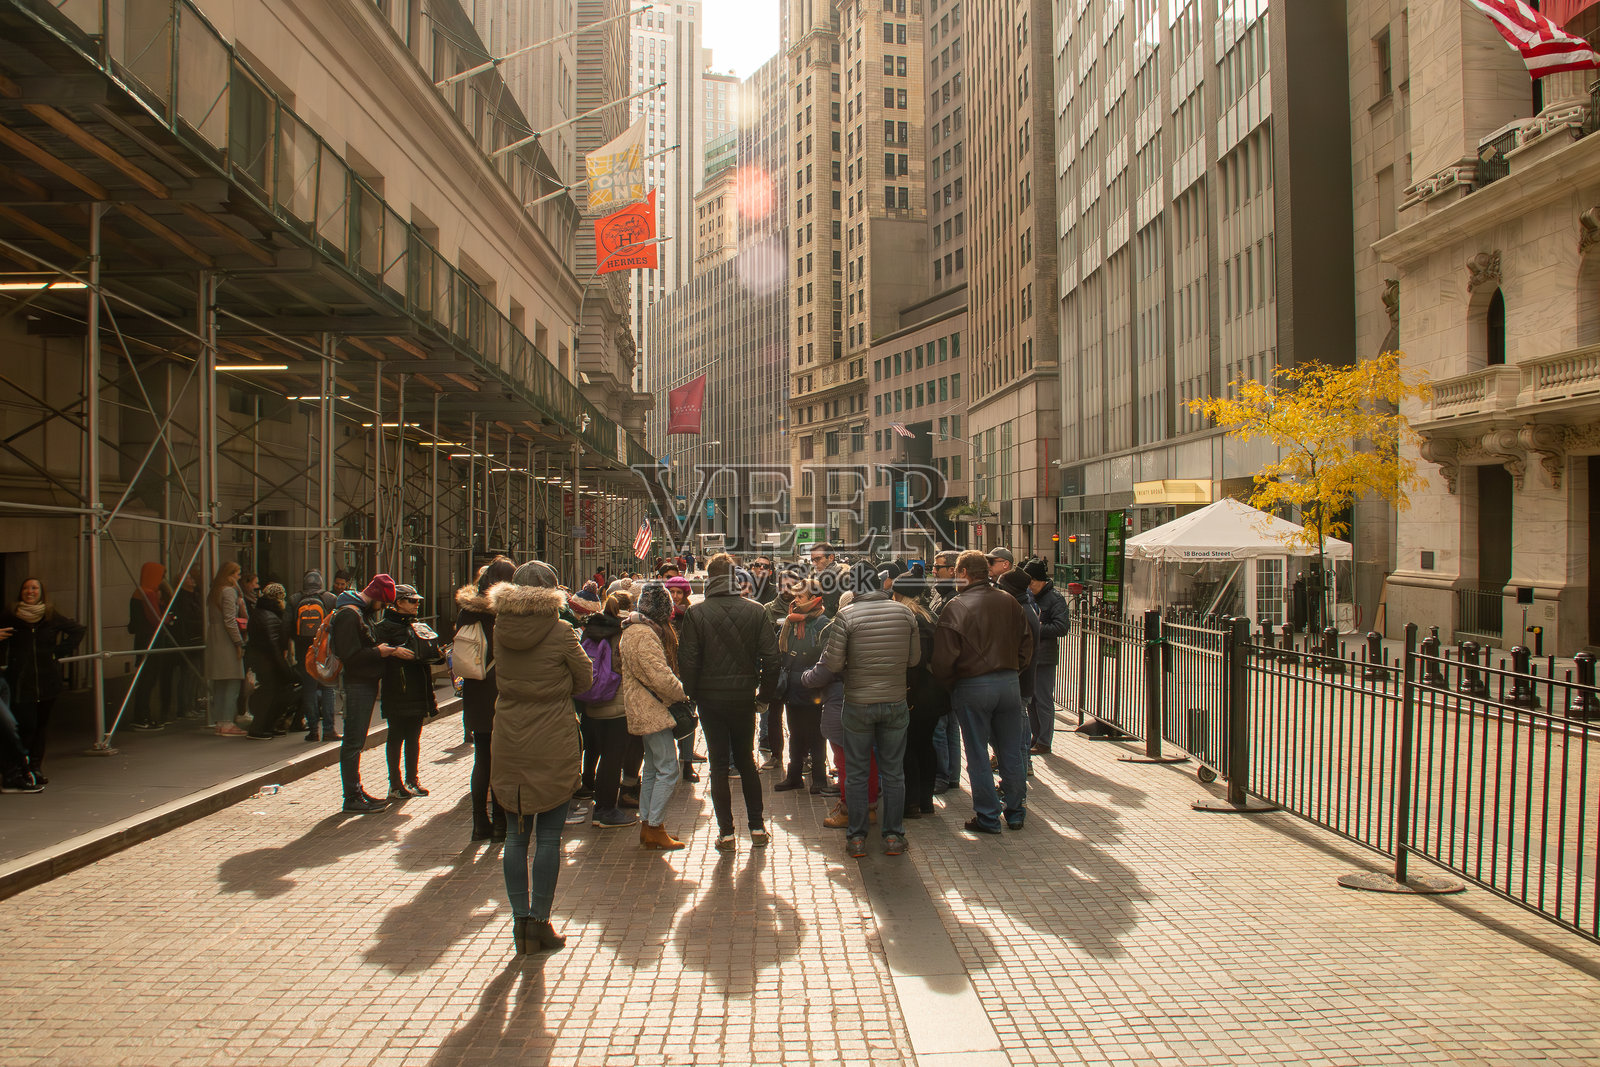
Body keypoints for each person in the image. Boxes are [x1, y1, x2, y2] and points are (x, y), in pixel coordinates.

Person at [489, 560, 591, 955]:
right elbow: (585, 679)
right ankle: (540, 921)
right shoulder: (562, 630)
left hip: (510, 733)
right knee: (549, 836)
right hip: (553, 735)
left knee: (516, 836)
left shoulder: (500, 629)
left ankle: (519, 921)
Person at [679, 552, 779, 852]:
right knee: (746, 761)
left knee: (719, 765)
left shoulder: (697, 614)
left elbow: (688, 660)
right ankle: (757, 826)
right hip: (743, 696)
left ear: (709, 578)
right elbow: (772, 660)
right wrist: (764, 696)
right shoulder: (756, 610)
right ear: (736, 577)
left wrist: (693, 695)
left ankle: (726, 832)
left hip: (710, 698)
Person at [821, 562, 919, 858]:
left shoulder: (846, 615)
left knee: (857, 772)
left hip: (858, 703)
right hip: (894, 700)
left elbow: (834, 664)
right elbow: (913, 660)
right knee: (893, 772)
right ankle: (892, 836)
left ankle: (858, 837)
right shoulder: (905, 613)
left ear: (853, 586)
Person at [932, 550, 1033, 835]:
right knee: (1010, 751)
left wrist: (952, 684)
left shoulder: (957, 605)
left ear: (964, 573)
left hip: (973, 684)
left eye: (956, 573)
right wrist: (1014, 671)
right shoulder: (1009, 601)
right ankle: (1015, 811)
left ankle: (988, 816)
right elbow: (1027, 644)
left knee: (977, 753)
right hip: (1008, 682)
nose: (953, 577)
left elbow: (943, 660)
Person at [621, 582, 689, 850]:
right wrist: (683, 692)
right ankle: (654, 826)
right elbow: (658, 676)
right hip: (652, 708)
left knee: (651, 769)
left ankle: (649, 824)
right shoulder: (643, 634)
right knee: (667, 769)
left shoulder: (635, 630)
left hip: (646, 707)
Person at [456, 556, 516, 842]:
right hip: (498, 687)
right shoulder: (503, 610)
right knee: (501, 760)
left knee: (482, 757)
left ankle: (479, 822)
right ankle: (502, 823)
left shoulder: (466, 610)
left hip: (474, 687)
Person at [0, 579, 84, 782]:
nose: (30, 591)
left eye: (34, 588)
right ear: (21, 592)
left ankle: (36, 767)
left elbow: (78, 630)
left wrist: (57, 652)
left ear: (41, 593)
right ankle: (22, 767)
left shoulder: (50, 616)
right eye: (26, 588)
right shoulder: (11, 616)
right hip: (20, 680)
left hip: (47, 680)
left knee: (41, 726)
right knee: (24, 725)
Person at [332, 574, 401, 814]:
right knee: (353, 741)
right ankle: (351, 796)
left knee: (356, 741)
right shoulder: (350, 615)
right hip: (356, 683)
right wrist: (378, 652)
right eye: (383, 603)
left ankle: (356, 791)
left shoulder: (359, 612)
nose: (382, 608)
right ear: (375, 597)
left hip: (363, 683)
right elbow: (349, 654)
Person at [373, 584, 446, 798]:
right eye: (412, 601)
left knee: (414, 736)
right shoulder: (383, 628)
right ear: (398, 603)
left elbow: (432, 654)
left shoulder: (418, 626)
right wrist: (394, 653)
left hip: (418, 688)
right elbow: (375, 656)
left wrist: (435, 653)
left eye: (417, 601)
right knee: (396, 735)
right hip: (397, 688)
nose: (417, 604)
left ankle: (412, 779)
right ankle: (395, 783)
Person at [579, 591, 636, 829]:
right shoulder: (622, 633)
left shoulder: (589, 630)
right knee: (613, 759)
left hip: (592, 702)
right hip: (616, 703)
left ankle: (596, 799)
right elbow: (625, 667)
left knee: (599, 754)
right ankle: (605, 809)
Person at [774, 578, 834, 795]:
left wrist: (810, 678)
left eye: (800, 596)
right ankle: (794, 776)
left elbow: (826, 656)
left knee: (817, 734)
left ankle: (819, 777)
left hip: (813, 687)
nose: (795, 600)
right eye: (795, 596)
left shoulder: (822, 623)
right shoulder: (792, 621)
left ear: (814, 599)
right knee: (796, 733)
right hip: (793, 687)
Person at [894, 577, 947, 819]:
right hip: (934, 693)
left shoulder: (908, 619)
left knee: (909, 748)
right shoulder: (929, 617)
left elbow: (912, 662)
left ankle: (912, 802)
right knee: (925, 745)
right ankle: (926, 801)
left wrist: (907, 693)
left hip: (915, 692)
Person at [1021, 557, 1069, 755]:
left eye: (1033, 582)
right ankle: (1036, 735)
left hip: (1045, 656)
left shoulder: (1054, 599)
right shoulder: (1029, 597)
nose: (1030, 586)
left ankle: (1044, 740)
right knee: (1031, 700)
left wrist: (1038, 628)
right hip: (1031, 656)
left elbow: (1062, 627)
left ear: (1042, 580)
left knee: (1044, 699)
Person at [287, 570, 338, 743]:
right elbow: (337, 623)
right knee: (327, 688)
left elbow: (286, 627)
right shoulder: (330, 598)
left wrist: (294, 643)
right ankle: (329, 730)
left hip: (304, 651)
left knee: (309, 690)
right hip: (325, 650)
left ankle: (313, 731)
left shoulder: (294, 599)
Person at [126, 562, 175, 731]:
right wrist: (169, 618)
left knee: (145, 679)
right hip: (152, 640)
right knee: (149, 680)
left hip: (142, 640)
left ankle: (142, 715)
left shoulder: (137, 593)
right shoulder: (149, 593)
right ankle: (142, 716)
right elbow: (156, 619)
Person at [245, 583, 298, 738]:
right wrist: (285, 670)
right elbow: (274, 646)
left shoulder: (260, 612)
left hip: (261, 660)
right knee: (270, 694)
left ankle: (264, 726)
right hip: (267, 662)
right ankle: (259, 728)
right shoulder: (270, 616)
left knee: (270, 693)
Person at [205, 562, 248, 737]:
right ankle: (227, 722)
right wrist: (239, 642)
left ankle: (220, 720)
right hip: (227, 640)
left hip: (215, 638)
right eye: (237, 574)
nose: (238, 578)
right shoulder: (229, 592)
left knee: (220, 683)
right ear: (230, 574)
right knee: (232, 681)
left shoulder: (215, 591)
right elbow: (230, 619)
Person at [170, 569, 205, 720]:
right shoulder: (182, 599)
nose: (192, 580)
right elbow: (186, 621)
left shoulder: (194, 596)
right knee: (189, 674)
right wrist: (202, 624)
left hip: (196, 638)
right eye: (188, 578)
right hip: (189, 639)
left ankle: (192, 705)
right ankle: (185, 707)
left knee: (195, 674)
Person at [808, 542, 852, 615]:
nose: (814, 564)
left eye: (818, 559)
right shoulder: (816, 579)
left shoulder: (844, 579)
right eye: (812, 560)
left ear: (831, 557)